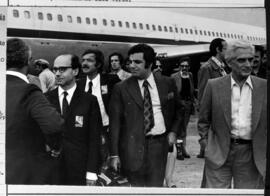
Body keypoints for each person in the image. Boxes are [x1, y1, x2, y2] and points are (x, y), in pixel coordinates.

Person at [109, 44, 182, 187]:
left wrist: (173, 132)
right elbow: (115, 123)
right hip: (131, 148)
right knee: (134, 190)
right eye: (130, 62)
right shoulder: (121, 88)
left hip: (159, 146)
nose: (131, 66)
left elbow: (179, 110)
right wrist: (114, 154)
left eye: (137, 62)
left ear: (150, 64)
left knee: (155, 188)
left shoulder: (167, 83)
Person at [198, 40, 266, 188]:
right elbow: (203, 120)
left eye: (251, 59)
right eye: (241, 60)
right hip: (219, 152)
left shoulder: (264, 87)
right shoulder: (214, 85)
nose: (248, 64)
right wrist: (206, 145)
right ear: (229, 63)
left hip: (251, 155)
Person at [6, 38, 64, 184]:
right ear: (28, 61)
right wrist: (54, 146)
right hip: (23, 171)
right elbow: (54, 125)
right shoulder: (29, 91)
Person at [46, 54, 102, 185]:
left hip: (79, 169)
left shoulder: (89, 101)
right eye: (55, 69)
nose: (57, 74)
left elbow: (94, 138)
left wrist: (92, 172)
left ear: (75, 71)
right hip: (51, 169)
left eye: (62, 69)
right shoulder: (46, 98)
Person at [77, 49, 120, 170]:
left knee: (105, 168)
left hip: (106, 131)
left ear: (99, 64)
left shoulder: (111, 81)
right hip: (86, 132)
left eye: (89, 60)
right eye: (83, 60)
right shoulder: (79, 84)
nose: (84, 63)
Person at [197, 38, 228, 158]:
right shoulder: (207, 68)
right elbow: (203, 96)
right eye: (226, 49)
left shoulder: (223, 68)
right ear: (218, 50)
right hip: (213, 115)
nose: (228, 52)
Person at [171, 57, 195, 160]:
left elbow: (191, 89)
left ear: (189, 67)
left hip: (188, 104)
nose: (184, 68)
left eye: (186, 66)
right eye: (182, 66)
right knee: (179, 128)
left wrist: (193, 103)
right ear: (179, 66)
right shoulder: (174, 77)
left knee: (184, 127)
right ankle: (179, 150)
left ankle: (183, 149)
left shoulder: (190, 75)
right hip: (179, 104)